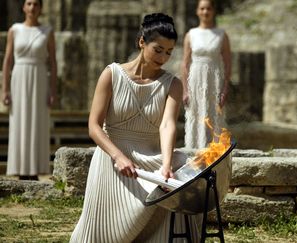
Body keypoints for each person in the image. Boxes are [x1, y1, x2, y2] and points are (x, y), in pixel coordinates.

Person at [70, 13, 201, 242]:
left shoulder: (173, 84)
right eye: (158, 49)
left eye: (169, 52)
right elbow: (94, 126)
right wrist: (118, 156)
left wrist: (167, 167)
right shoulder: (111, 74)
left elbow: (168, 125)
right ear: (142, 42)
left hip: (151, 157)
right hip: (113, 160)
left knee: (183, 168)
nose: (163, 57)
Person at [1, 0, 57, 180]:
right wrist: (4, 90)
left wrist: (53, 90)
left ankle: (35, 169)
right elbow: (8, 61)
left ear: (40, 8)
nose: (32, 8)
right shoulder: (14, 30)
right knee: (19, 121)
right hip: (19, 77)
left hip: (40, 78)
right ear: (24, 7)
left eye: (36, 4)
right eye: (29, 3)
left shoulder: (47, 31)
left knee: (38, 121)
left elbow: (53, 63)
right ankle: (19, 168)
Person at [182, 0, 232, 149]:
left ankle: (214, 155)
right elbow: (184, 64)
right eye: (202, 8)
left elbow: (228, 63)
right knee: (195, 115)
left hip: (214, 80)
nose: (205, 12)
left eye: (208, 8)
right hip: (195, 80)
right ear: (198, 11)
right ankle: (194, 153)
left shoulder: (222, 35)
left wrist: (225, 88)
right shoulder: (191, 34)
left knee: (214, 116)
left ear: (213, 11)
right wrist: (185, 89)